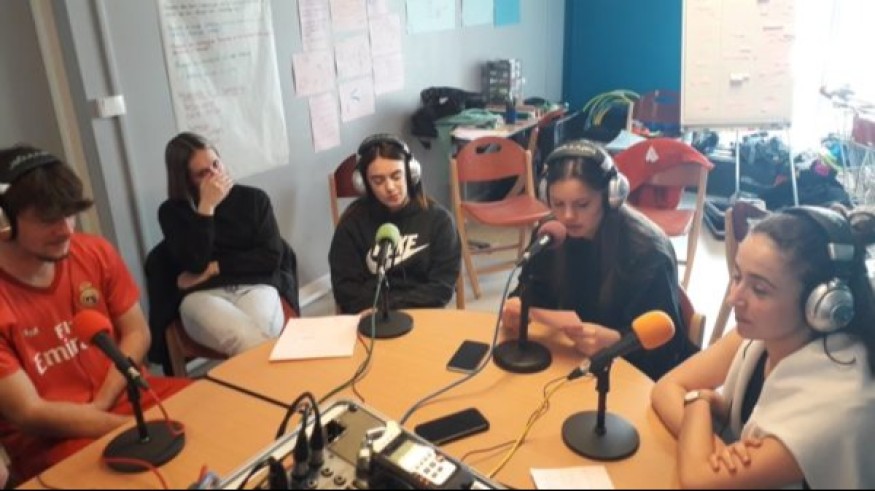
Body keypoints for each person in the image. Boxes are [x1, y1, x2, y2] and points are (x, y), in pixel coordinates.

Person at [0, 145, 190, 484]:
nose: (66, 230)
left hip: (128, 397)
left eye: (70, 214)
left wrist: (104, 402)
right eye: (48, 219)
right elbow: (28, 412)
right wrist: (125, 427)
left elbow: (136, 333)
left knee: (219, 413)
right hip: (54, 437)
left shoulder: (95, 251)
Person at [651, 206, 875, 488]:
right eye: (737, 276)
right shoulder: (763, 336)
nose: (734, 298)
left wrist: (698, 402)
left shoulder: (837, 402)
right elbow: (666, 387)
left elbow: (699, 479)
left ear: (821, 303)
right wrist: (714, 449)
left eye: (760, 290)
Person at [500, 140, 695, 380]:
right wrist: (517, 306)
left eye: (582, 204)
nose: (567, 216)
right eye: (558, 204)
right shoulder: (551, 233)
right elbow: (532, 289)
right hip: (567, 362)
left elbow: (667, 350)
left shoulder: (647, 253)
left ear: (610, 197)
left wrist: (616, 341)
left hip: (629, 376)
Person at [157, 132, 297, 357]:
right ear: (185, 180)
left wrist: (214, 268)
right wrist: (207, 209)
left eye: (216, 164)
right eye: (202, 173)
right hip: (202, 295)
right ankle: (286, 377)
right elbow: (195, 264)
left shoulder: (254, 199)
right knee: (242, 337)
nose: (215, 175)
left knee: (258, 333)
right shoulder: (171, 212)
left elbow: (270, 257)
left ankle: (261, 379)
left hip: (256, 285)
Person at [329, 134, 461, 314]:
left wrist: (390, 306)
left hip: (422, 314)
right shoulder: (351, 224)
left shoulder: (439, 221)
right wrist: (380, 310)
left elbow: (442, 287)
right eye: (378, 181)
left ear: (410, 174)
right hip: (370, 315)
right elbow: (345, 289)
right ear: (364, 183)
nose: (390, 187)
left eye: (396, 176)